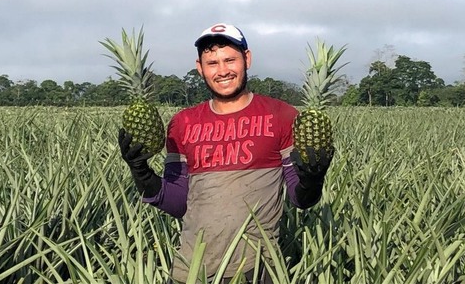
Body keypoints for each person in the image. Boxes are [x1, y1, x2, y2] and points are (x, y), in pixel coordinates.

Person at [118, 23, 333, 284]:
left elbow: (301, 199)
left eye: (230, 60)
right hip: (191, 270)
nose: (222, 71)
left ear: (247, 59)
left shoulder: (282, 115)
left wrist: (313, 179)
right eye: (212, 63)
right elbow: (178, 202)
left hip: (256, 269)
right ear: (200, 68)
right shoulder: (182, 123)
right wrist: (140, 172)